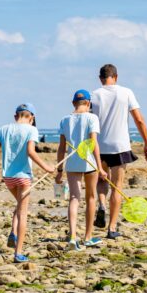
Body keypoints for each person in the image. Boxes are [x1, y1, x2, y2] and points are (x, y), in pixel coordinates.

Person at [0, 103, 54, 263]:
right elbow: (31, 151)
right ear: (31, 118)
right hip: (23, 176)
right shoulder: (31, 129)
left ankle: (13, 232)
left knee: (19, 205)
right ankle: (18, 253)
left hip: (8, 176)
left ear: (16, 116)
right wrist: (47, 167)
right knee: (23, 212)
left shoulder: (4, 128)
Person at [91, 64, 147, 239]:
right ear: (115, 77)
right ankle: (111, 227)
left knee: (102, 180)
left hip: (99, 146)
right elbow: (139, 120)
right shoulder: (126, 92)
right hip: (120, 146)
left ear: (100, 78)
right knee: (117, 188)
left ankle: (101, 204)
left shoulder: (94, 95)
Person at [55, 89, 107, 250]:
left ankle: (72, 237)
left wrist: (59, 170)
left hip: (72, 163)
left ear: (73, 103)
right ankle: (88, 237)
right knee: (91, 197)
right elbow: (94, 144)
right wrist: (100, 167)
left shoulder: (65, 120)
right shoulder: (92, 118)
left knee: (74, 198)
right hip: (89, 163)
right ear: (88, 103)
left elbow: (61, 148)